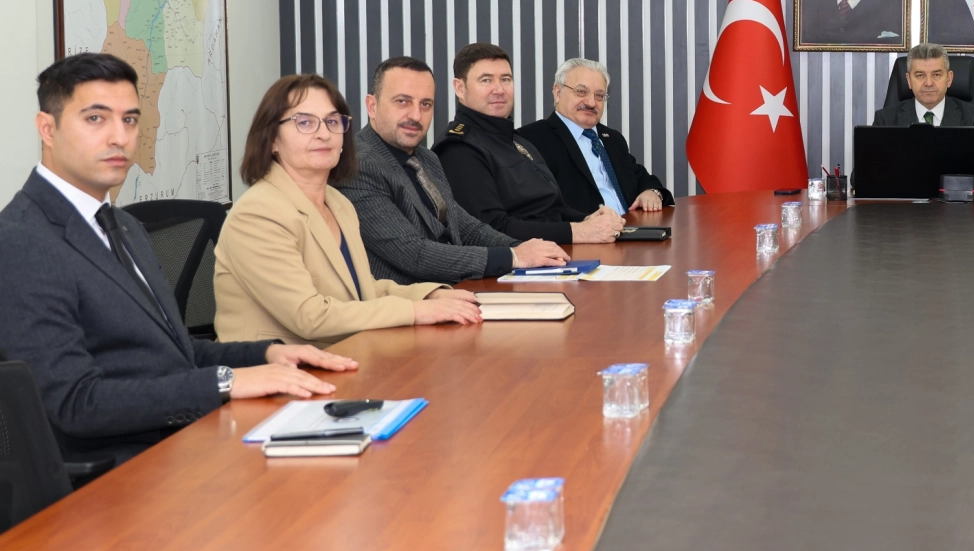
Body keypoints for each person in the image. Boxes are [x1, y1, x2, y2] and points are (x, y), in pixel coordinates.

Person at [0, 54, 350, 465]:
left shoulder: (123, 225)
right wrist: (224, 382)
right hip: (121, 472)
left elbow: (173, 355)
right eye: (96, 119)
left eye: (130, 120)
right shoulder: (21, 240)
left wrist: (267, 354)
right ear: (47, 128)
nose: (119, 137)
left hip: (182, 441)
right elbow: (77, 403)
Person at [214, 74, 483, 349]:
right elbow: (311, 316)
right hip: (278, 368)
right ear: (272, 139)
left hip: (344, 355)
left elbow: (364, 290)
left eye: (332, 122)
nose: (324, 133)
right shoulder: (258, 214)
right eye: (304, 122)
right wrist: (414, 312)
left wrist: (429, 296)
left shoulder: (338, 202)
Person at [338, 56, 567, 285]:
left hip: (456, 289)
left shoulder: (426, 158)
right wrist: (513, 257)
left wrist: (520, 248)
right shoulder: (358, 166)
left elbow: (467, 228)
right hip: (409, 300)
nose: (416, 116)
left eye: (425, 104)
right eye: (402, 102)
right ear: (372, 106)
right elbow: (413, 254)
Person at [435, 43, 625, 244]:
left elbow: (554, 209)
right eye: (486, 80)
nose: (499, 89)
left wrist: (588, 220)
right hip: (517, 261)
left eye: (505, 79)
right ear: (460, 88)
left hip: (553, 253)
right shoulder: (459, 149)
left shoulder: (518, 142)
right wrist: (577, 232)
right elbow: (490, 229)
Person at [518, 58, 674, 217]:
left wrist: (652, 192)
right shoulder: (530, 140)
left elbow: (640, 178)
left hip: (632, 227)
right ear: (558, 92)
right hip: (582, 230)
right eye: (581, 91)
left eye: (599, 95)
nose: (591, 102)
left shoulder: (612, 138)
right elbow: (536, 208)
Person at [870, 43, 974, 189]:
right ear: (909, 80)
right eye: (920, 75)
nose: (929, 83)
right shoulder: (886, 119)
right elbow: (862, 173)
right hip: (903, 201)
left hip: (957, 201)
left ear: (949, 78)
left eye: (936, 74)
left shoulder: (973, 116)